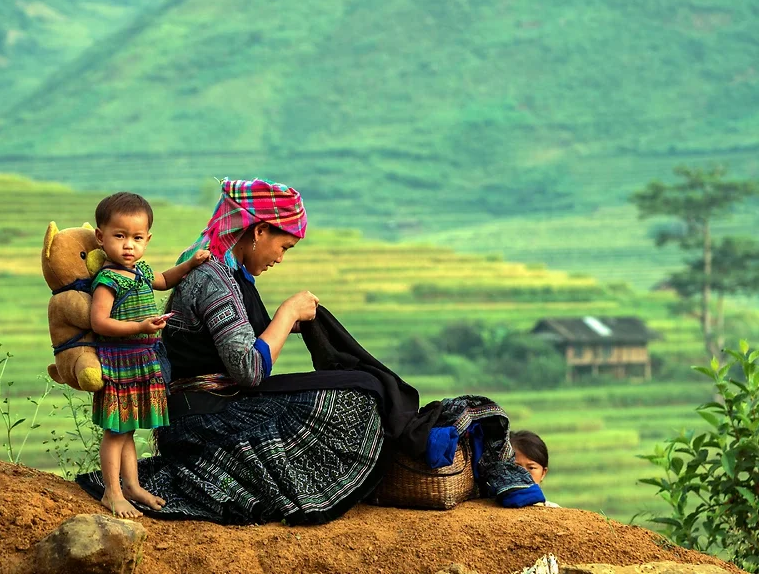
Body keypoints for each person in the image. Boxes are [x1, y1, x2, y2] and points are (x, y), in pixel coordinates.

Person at [76, 179, 541, 524]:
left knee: (363, 384)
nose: (281, 257)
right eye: (284, 245)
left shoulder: (232, 275)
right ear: (258, 232)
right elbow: (249, 370)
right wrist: (286, 315)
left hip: (224, 401)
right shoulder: (212, 279)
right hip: (205, 415)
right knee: (354, 401)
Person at [88, 192, 210, 518]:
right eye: (120, 236)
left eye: (137, 238)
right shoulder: (108, 279)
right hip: (120, 362)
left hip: (143, 360)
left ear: (147, 240)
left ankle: (132, 485)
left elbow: (165, 280)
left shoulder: (141, 270)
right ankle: (111, 492)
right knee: (116, 430)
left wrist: (190, 264)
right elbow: (99, 322)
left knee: (127, 428)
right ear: (101, 238)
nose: (129, 245)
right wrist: (139, 325)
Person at [511, 430, 560, 507]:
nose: (523, 474)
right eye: (516, 467)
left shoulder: (554, 511)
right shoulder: (490, 506)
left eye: (531, 468)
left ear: (543, 473)